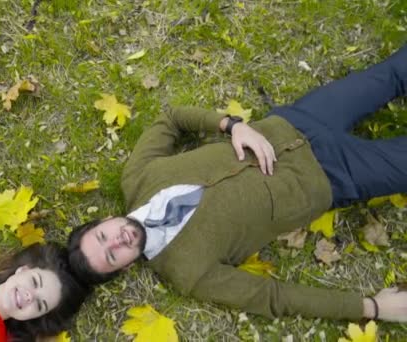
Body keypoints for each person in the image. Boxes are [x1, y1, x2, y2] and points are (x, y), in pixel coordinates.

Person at [67, 44, 407, 322]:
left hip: (299, 120)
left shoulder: (138, 177)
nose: (117, 240)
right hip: (333, 177)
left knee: (391, 73)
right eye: (112, 255)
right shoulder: (189, 273)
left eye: (102, 236)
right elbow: (272, 297)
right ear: (125, 267)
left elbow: (170, 119)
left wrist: (231, 126)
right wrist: (372, 308)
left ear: (103, 222)